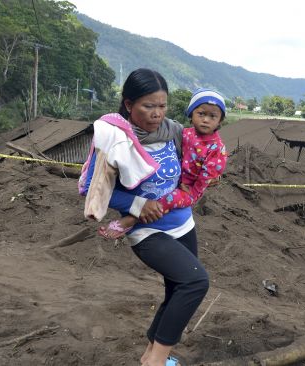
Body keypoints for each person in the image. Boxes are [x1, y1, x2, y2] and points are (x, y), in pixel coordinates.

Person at [78, 68, 208, 366]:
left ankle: (150, 353)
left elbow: (191, 163)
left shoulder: (173, 131)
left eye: (162, 106)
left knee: (176, 288)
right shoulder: (114, 139)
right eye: (148, 106)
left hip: (182, 223)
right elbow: (91, 188)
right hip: (146, 231)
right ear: (128, 104)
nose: (156, 113)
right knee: (196, 282)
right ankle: (156, 362)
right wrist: (136, 204)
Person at [98, 88, 228, 239]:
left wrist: (192, 192)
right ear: (191, 115)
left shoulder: (216, 147)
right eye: (201, 114)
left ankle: (131, 220)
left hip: (190, 189)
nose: (206, 120)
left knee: (168, 199)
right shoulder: (184, 133)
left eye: (212, 116)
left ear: (220, 121)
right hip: (179, 181)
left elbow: (208, 176)